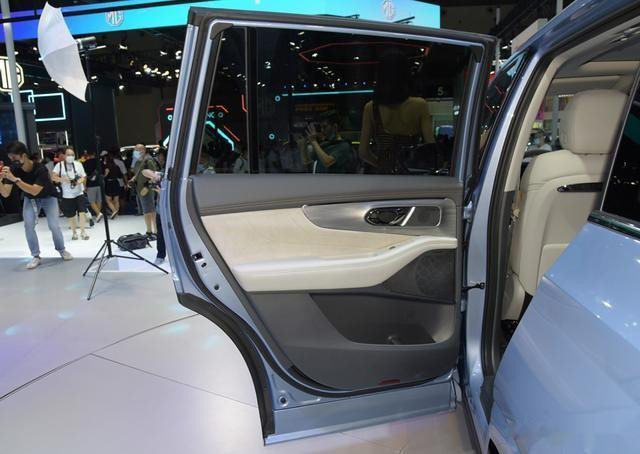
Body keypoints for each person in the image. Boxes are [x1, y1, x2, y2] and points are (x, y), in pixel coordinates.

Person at [359, 50, 435, 174]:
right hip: (411, 175)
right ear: (406, 74)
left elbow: (363, 152)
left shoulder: (370, 108)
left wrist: (383, 165)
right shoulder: (420, 105)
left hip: (384, 177)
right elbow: (431, 147)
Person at [0, 141, 73, 269]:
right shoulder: (14, 170)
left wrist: (15, 180)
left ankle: (61, 249)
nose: (12, 161)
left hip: (48, 197)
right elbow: (5, 193)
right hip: (30, 199)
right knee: (28, 226)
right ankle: (36, 256)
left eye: (14, 157)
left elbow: (35, 190)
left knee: (54, 225)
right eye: (10, 158)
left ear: (23, 155)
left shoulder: (40, 169)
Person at [52, 148, 90, 240]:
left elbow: (84, 176)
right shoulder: (59, 165)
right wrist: (63, 179)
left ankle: (83, 231)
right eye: (68, 155)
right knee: (71, 215)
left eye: (72, 155)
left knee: (82, 213)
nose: (71, 157)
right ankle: (74, 233)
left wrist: (80, 181)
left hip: (79, 192)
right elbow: (53, 177)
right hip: (67, 195)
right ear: (64, 155)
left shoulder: (78, 164)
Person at [129, 143, 158, 238]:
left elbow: (154, 176)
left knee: (150, 210)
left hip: (147, 189)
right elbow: (137, 174)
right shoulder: (138, 162)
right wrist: (133, 180)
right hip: (139, 188)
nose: (135, 152)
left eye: (136, 150)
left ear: (143, 150)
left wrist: (147, 187)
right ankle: (149, 230)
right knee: (146, 211)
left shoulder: (148, 161)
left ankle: (154, 231)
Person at [142, 168, 166, 265]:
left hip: (172, 211)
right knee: (160, 234)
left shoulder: (178, 179)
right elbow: (144, 171)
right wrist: (155, 177)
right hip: (160, 211)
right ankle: (160, 256)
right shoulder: (163, 175)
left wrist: (161, 192)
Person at [83, 149, 103, 222]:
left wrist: (84, 185)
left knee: (92, 201)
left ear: (87, 155)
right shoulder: (99, 162)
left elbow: (85, 175)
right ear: (94, 154)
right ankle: (98, 215)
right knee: (99, 200)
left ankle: (98, 213)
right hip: (99, 183)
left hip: (90, 184)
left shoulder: (85, 163)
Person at [103, 153, 123, 219]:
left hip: (109, 183)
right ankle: (116, 214)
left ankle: (114, 211)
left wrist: (103, 176)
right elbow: (120, 175)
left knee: (108, 199)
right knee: (116, 200)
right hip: (116, 182)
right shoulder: (116, 166)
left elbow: (105, 176)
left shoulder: (107, 167)